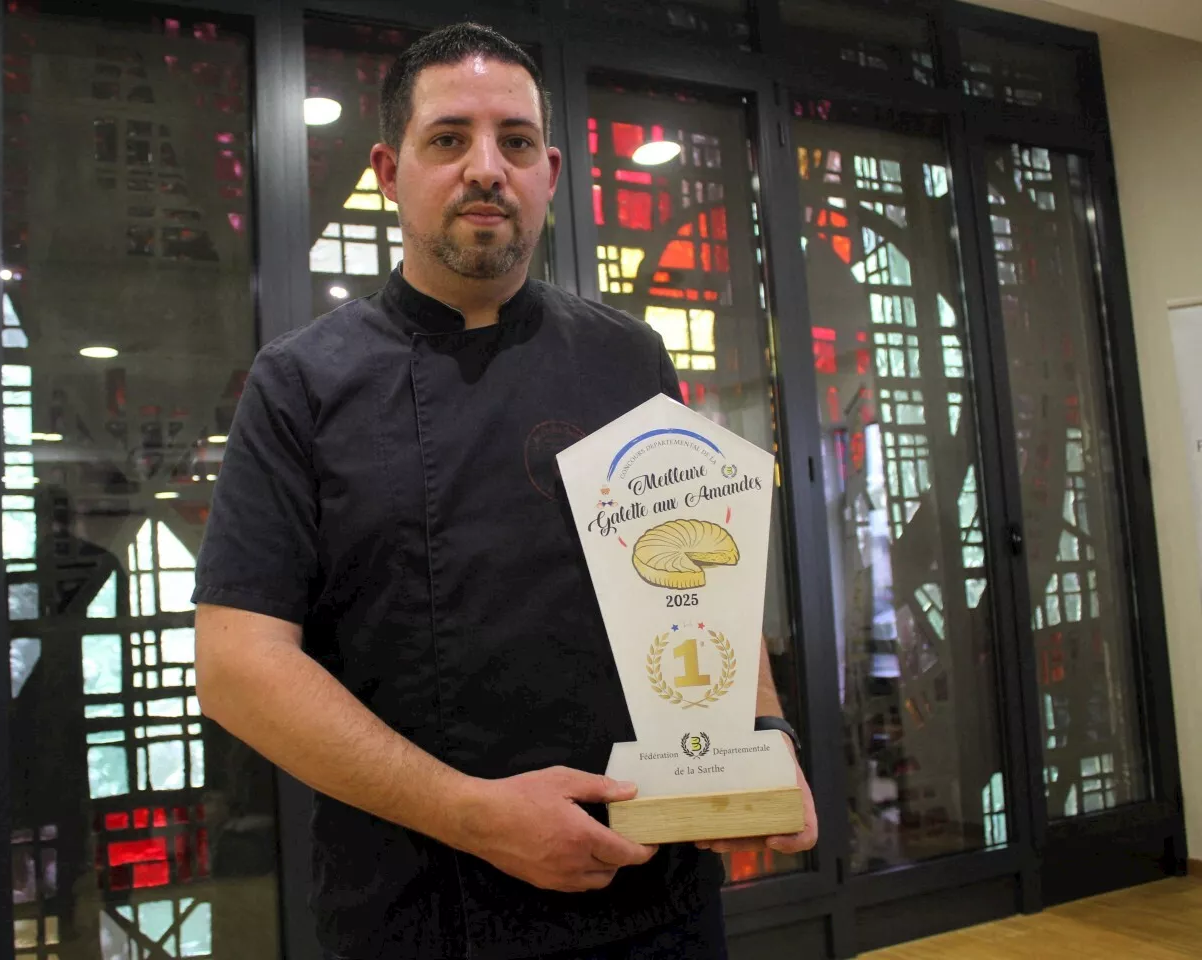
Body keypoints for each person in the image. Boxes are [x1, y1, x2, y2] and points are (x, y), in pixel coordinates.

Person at [192, 22, 818, 960]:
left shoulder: (629, 358)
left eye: (515, 142)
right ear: (389, 169)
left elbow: (703, 588)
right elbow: (238, 664)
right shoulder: (302, 382)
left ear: (551, 173)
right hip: (416, 910)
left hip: (653, 897)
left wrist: (763, 738)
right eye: (449, 139)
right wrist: (477, 815)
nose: (487, 167)